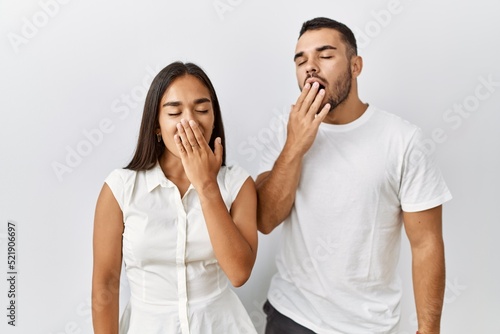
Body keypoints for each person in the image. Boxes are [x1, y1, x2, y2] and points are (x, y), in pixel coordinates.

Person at [256, 17, 452, 334]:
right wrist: (295, 145)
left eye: (326, 55)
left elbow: (426, 243)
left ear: (356, 66)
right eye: (301, 59)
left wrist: (428, 329)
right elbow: (264, 219)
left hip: (372, 324)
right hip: (293, 317)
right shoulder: (284, 130)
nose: (311, 66)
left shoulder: (402, 140)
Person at [92, 61, 258, 334]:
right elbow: (105, 282)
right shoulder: (120, 188)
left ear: (213, 119)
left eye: (202, 110)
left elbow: (239, 273)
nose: (190, 121)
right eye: (174, 111)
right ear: (156, 125)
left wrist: (207, 186)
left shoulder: (237, 184)